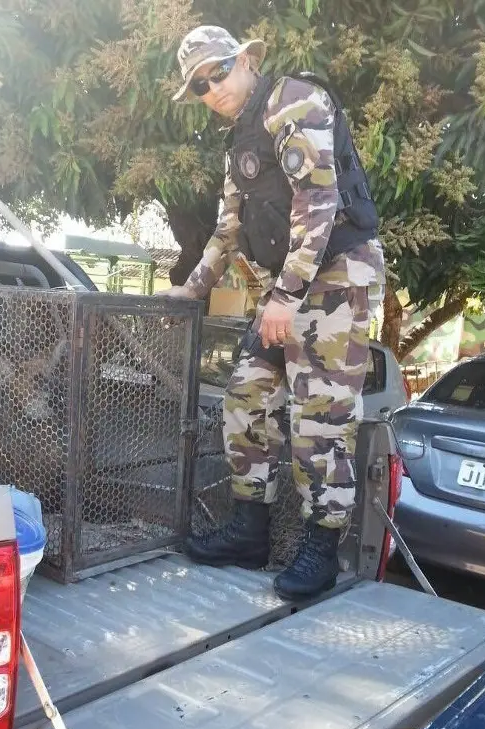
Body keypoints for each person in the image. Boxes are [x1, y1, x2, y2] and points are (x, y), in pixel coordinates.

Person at [165, 25, 386, 600]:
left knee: (320, 418)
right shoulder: (239, 137)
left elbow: (319, 201)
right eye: (199, 85)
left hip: (337, 275)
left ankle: (322, 547)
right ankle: (250, 532)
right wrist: (193, 288)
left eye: (218, 72)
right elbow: (228, 228)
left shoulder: (294, 99)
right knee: (246, 396)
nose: (212, 88)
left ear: (245, 61)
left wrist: (284, 297)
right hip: (288, 286)